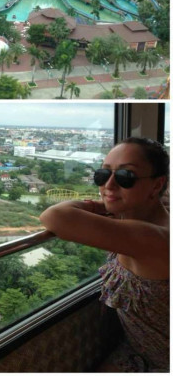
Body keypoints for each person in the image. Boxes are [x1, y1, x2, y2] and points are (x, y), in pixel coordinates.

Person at [39, 137, 169, 372]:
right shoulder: (136, 220)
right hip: (136, 352)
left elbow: (55, 217)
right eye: (103, 174)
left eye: (126, 176)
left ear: (156, 185)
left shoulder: (155, 239)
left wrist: (97, 206)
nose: (108, 185)